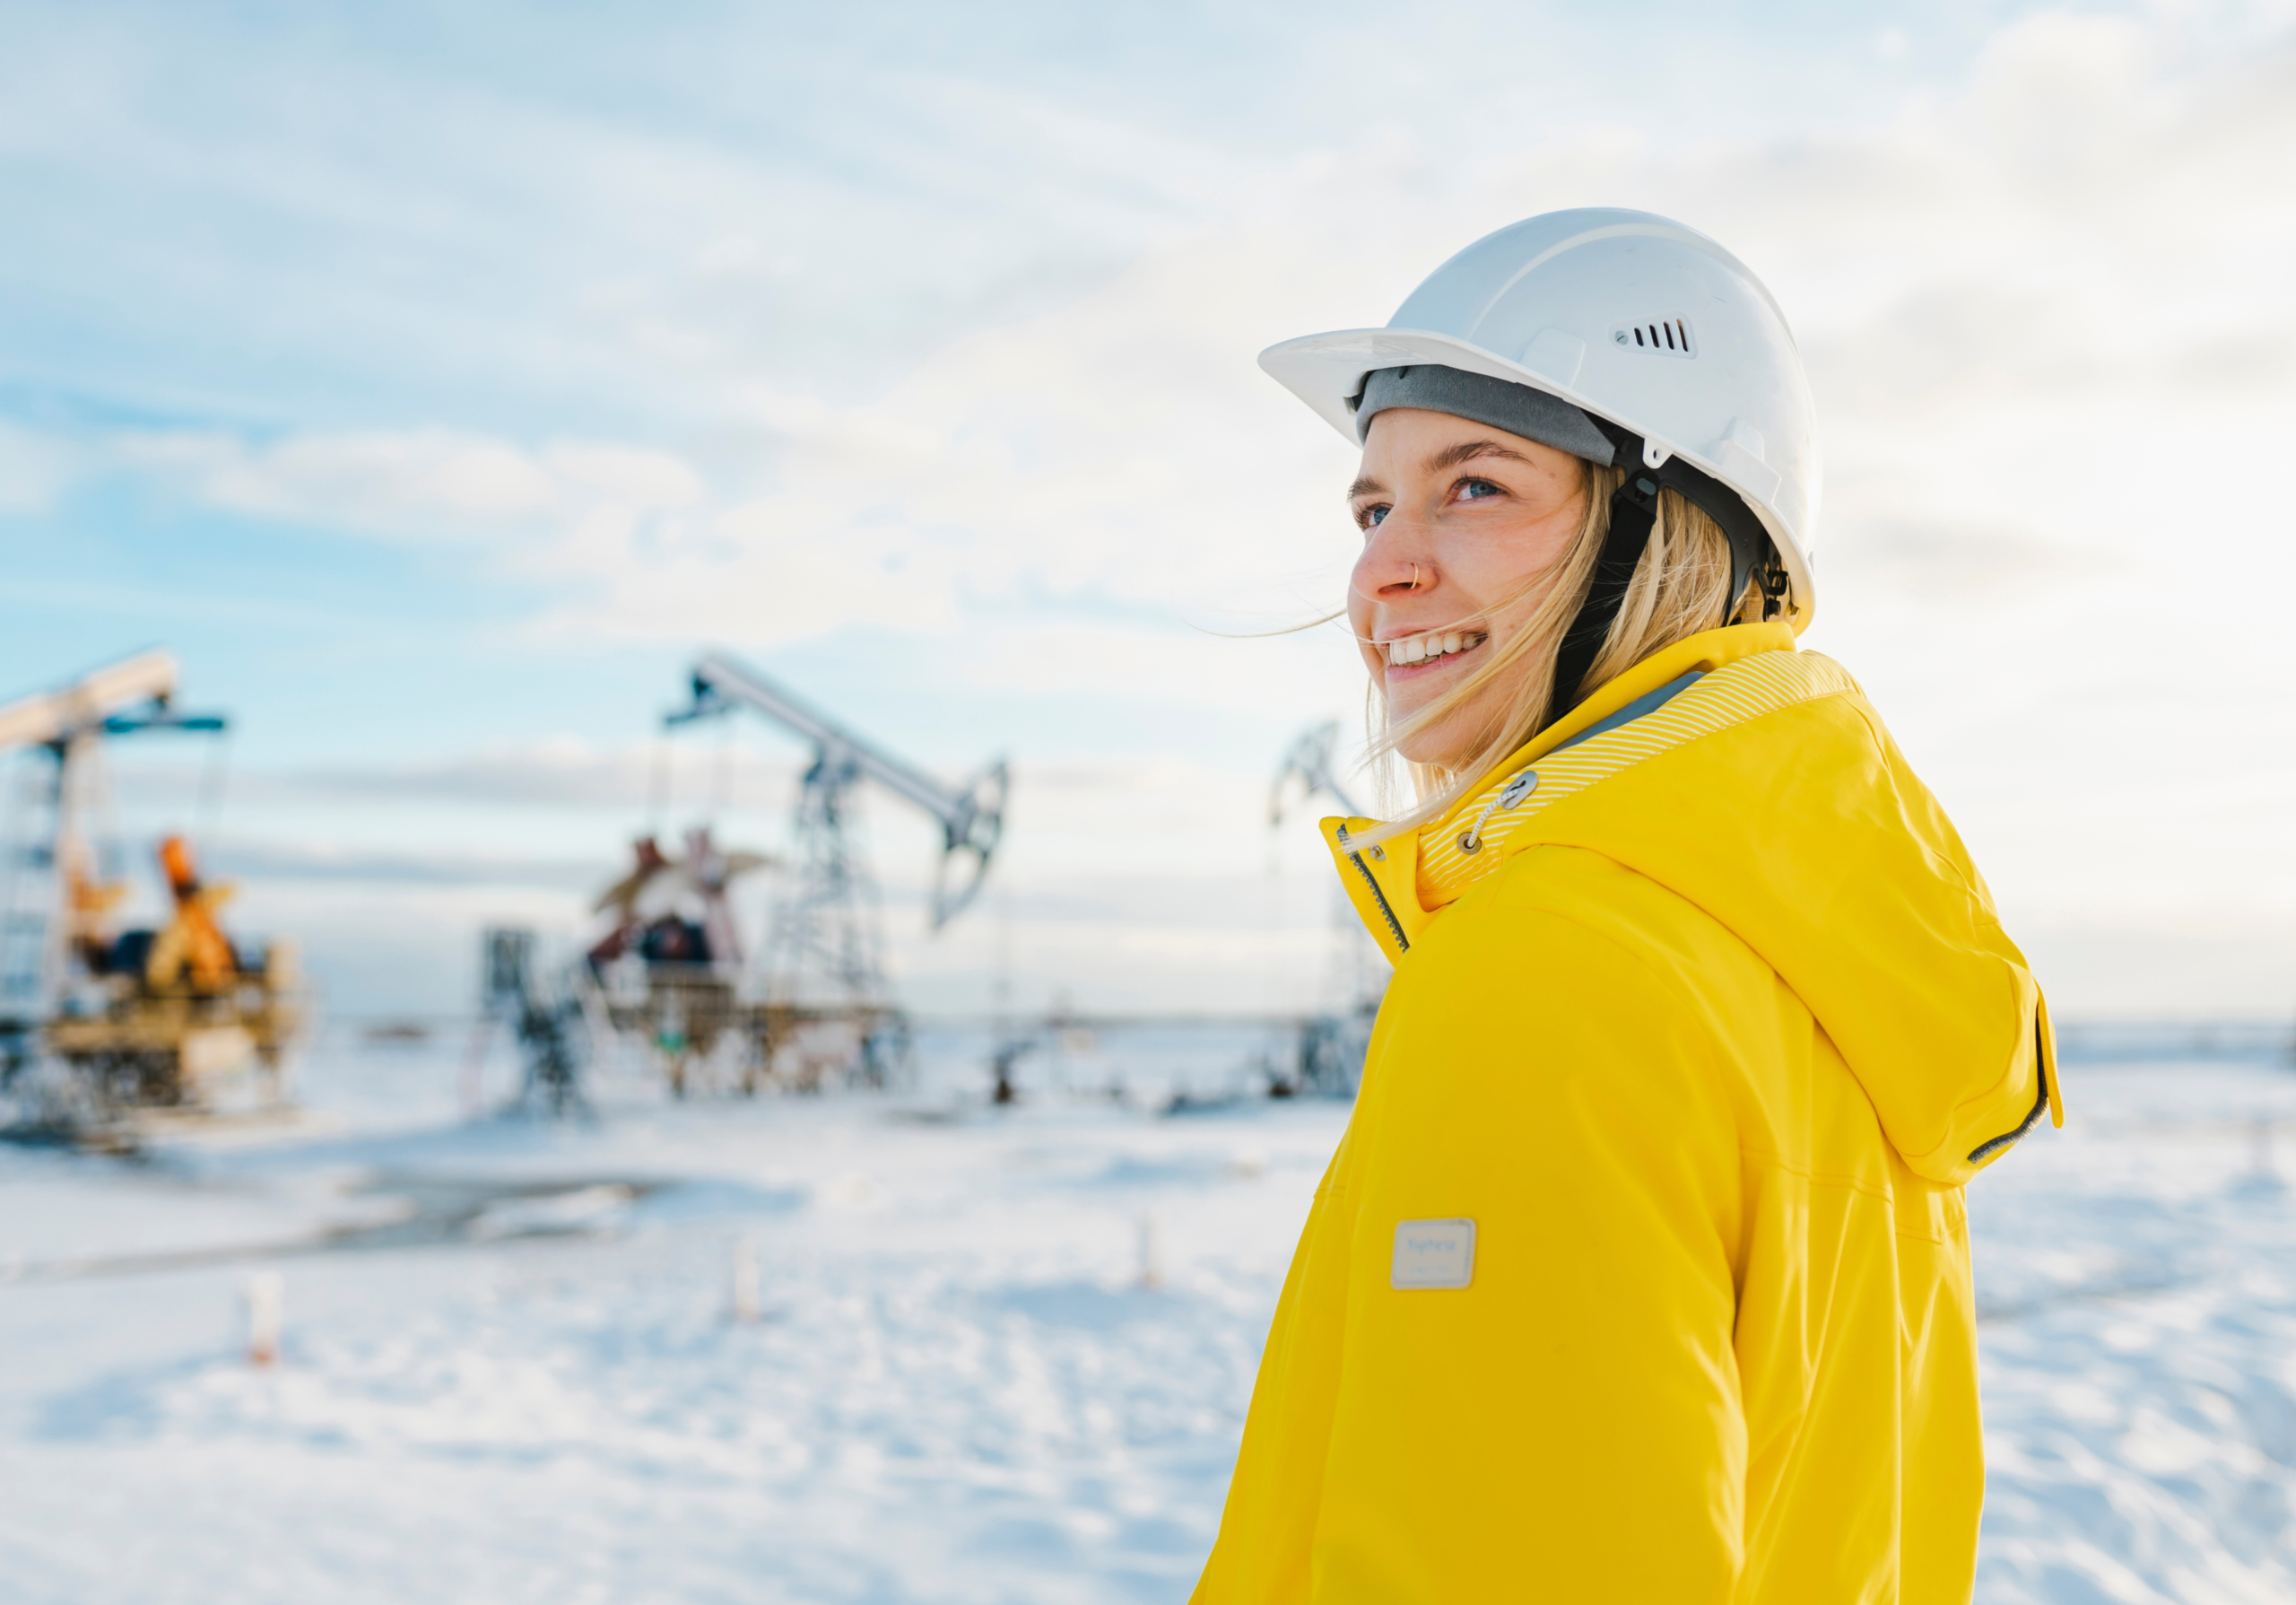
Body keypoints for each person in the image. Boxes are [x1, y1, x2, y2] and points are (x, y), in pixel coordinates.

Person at [1191, 209, 2059, 1603]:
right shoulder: (1840, 964)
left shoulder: (1552, 970)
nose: (1379, 575)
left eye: (1476, 485)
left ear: (1670, 529)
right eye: (1371, 506)